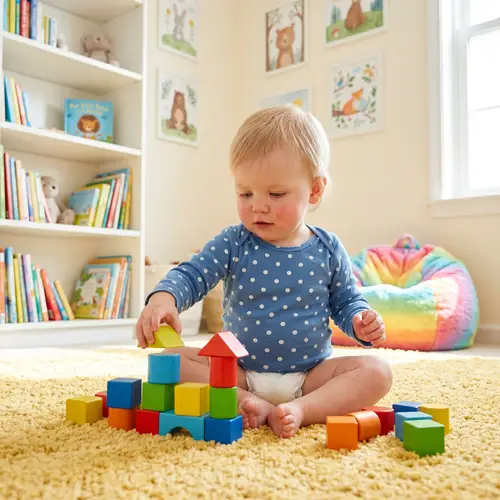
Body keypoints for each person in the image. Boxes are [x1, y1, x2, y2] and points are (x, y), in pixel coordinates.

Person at [136, 105, 392, 438]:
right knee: (170, 361)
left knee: (377, 372)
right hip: (236, 371)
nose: (258, 205)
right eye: (245, 193)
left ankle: (300, 410)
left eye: (276, 194)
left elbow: (346, 301)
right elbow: (192, 274)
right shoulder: (234, 241)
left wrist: (361, 321)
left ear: (314, 190)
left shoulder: (328, 248)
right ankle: (244, 401)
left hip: (311, 376)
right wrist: (163, 298)